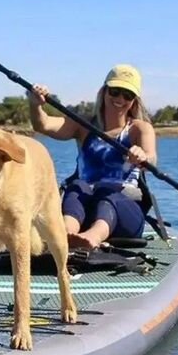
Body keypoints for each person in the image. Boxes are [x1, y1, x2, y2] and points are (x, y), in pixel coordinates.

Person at [28, 64, 157, 250]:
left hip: (124, 214)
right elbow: (44, 125)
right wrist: (35, 104)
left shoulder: (140, 129)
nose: (120, 99)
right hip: (85, 208)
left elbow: (151, 157)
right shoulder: (83, 124)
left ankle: (92, 237)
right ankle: (65, 234)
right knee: (77, 186)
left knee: (107, 191)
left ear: (134, 101)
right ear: (104, 92)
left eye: (127, 95)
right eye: (115, 91)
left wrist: (142, 156)